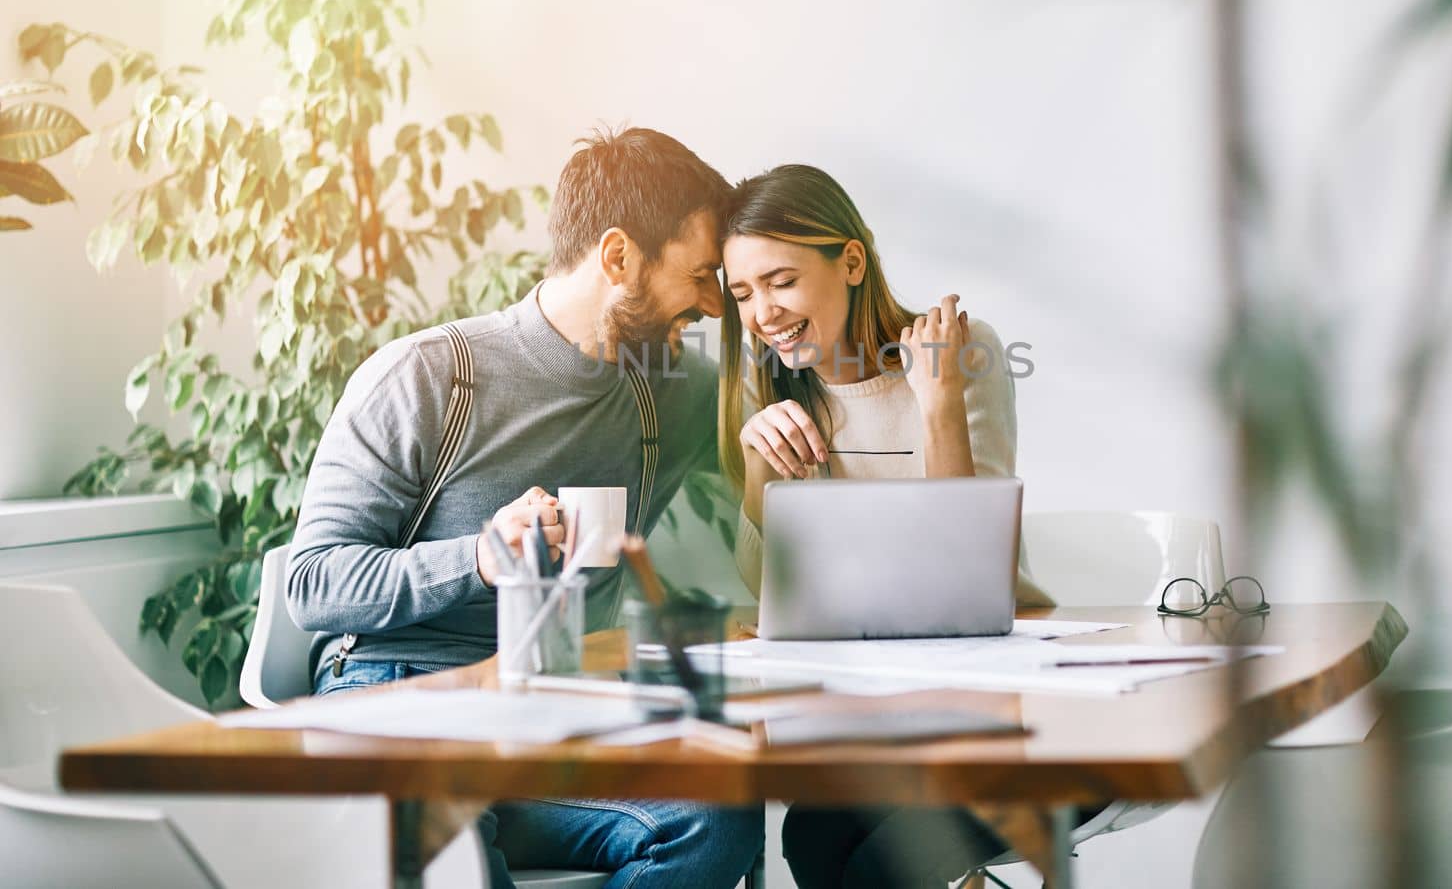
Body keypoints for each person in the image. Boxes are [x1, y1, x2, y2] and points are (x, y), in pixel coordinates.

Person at [287, 127, 763, 889]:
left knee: (717, 811)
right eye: (702, 274)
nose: (714, 303)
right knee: (453, 852)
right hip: (403, 695)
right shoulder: (427, 377)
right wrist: (480, 555)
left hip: (553, 710)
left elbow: (810, 414)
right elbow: (313, 584)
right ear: (617, 257)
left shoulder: (673, 391)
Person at [716, 163, 1051, 888]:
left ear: (853, 261)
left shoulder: (960, 351)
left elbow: (971, 569)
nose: (762, 312)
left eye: (780, 280)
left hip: (993, 705)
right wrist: (759, 471)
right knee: (809, 833)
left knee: (879, 861)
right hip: (871, 705)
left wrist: (938, 405)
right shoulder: (774, 382)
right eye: (742, 292)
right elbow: (769, 593)